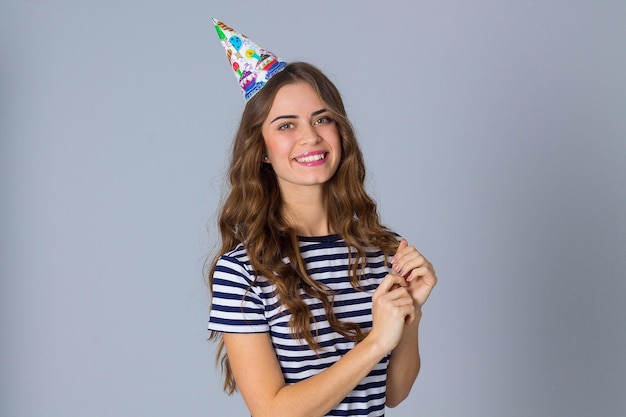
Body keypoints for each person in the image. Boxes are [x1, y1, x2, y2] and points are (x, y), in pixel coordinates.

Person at [207, 19, 437, 417]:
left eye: (322, 118)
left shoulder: (383, 251)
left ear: (340, 131)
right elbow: (273, 412)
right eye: (286, 125)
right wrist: (377, 342)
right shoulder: (242, 272)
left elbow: (393, 394)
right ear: (261, 149)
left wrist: (410, 316)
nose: (310, 136)